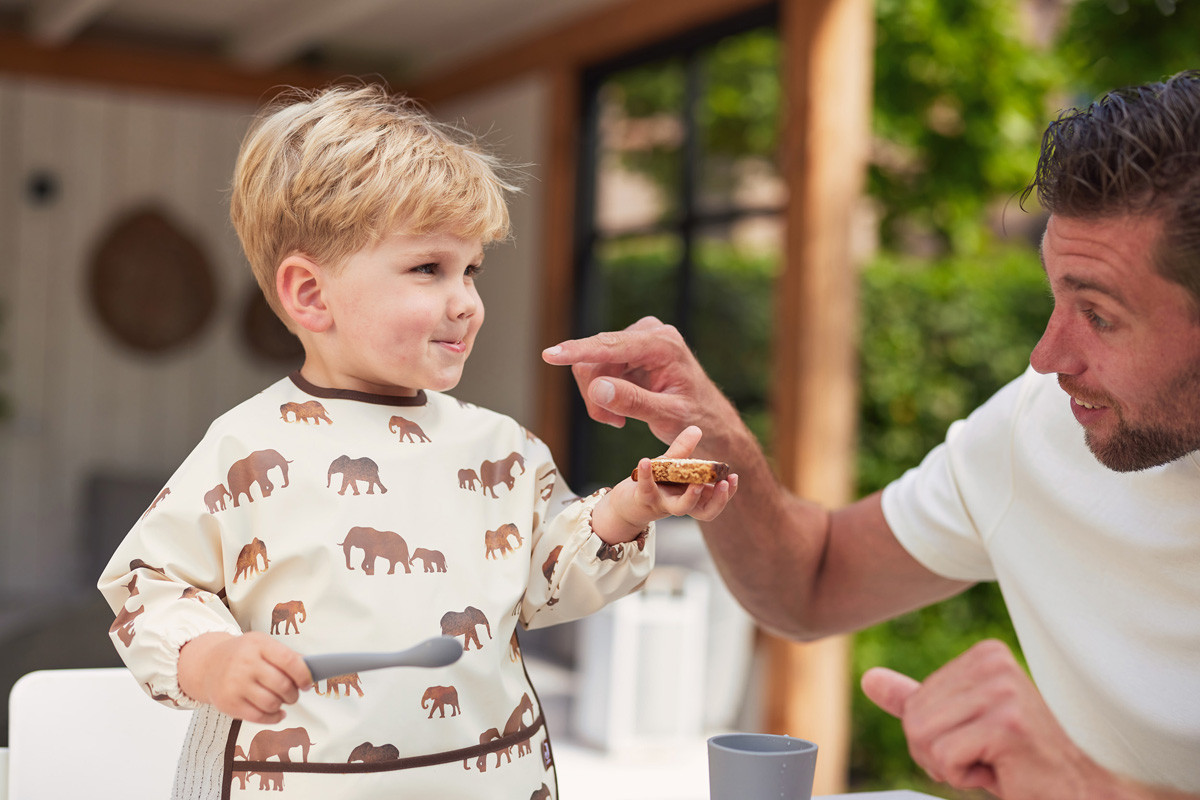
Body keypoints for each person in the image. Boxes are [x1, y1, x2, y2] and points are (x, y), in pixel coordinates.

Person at [543, 70, 1200, 799]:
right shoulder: (1037, 426)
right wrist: (713, 432)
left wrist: (1089, 789)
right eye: (1056, 298)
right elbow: (812, 580)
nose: (1047, 359)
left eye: (1101, 316)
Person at [97, 83, 735, 799]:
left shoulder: (500, 448)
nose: (466, 300)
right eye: (429, 269)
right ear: (311, 295)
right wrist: (209, 657)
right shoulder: (247, 445)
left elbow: (544, 579)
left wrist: (634, 504)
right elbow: (147, 586)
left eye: (471, 270)